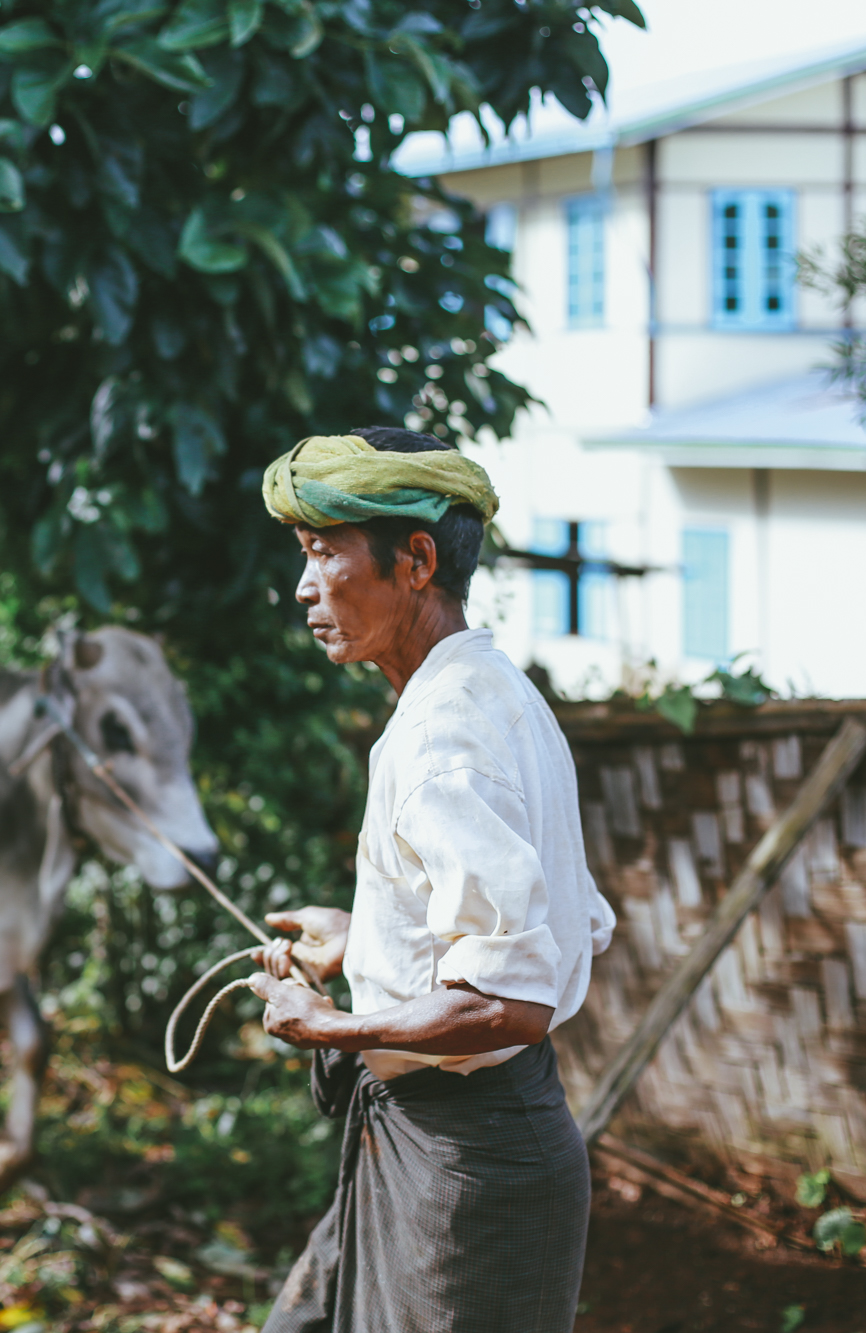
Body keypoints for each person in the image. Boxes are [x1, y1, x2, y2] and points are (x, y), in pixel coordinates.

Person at [245, 427, 616, 1333]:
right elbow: (544, 925)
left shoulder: (445, 737)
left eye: (324, 552)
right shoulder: (491, 692)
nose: (304, 586)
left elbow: (509, 1000)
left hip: (473, 1173)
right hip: (426, 1140)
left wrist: (330, 1025)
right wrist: (365, 937)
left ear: (415, 560)